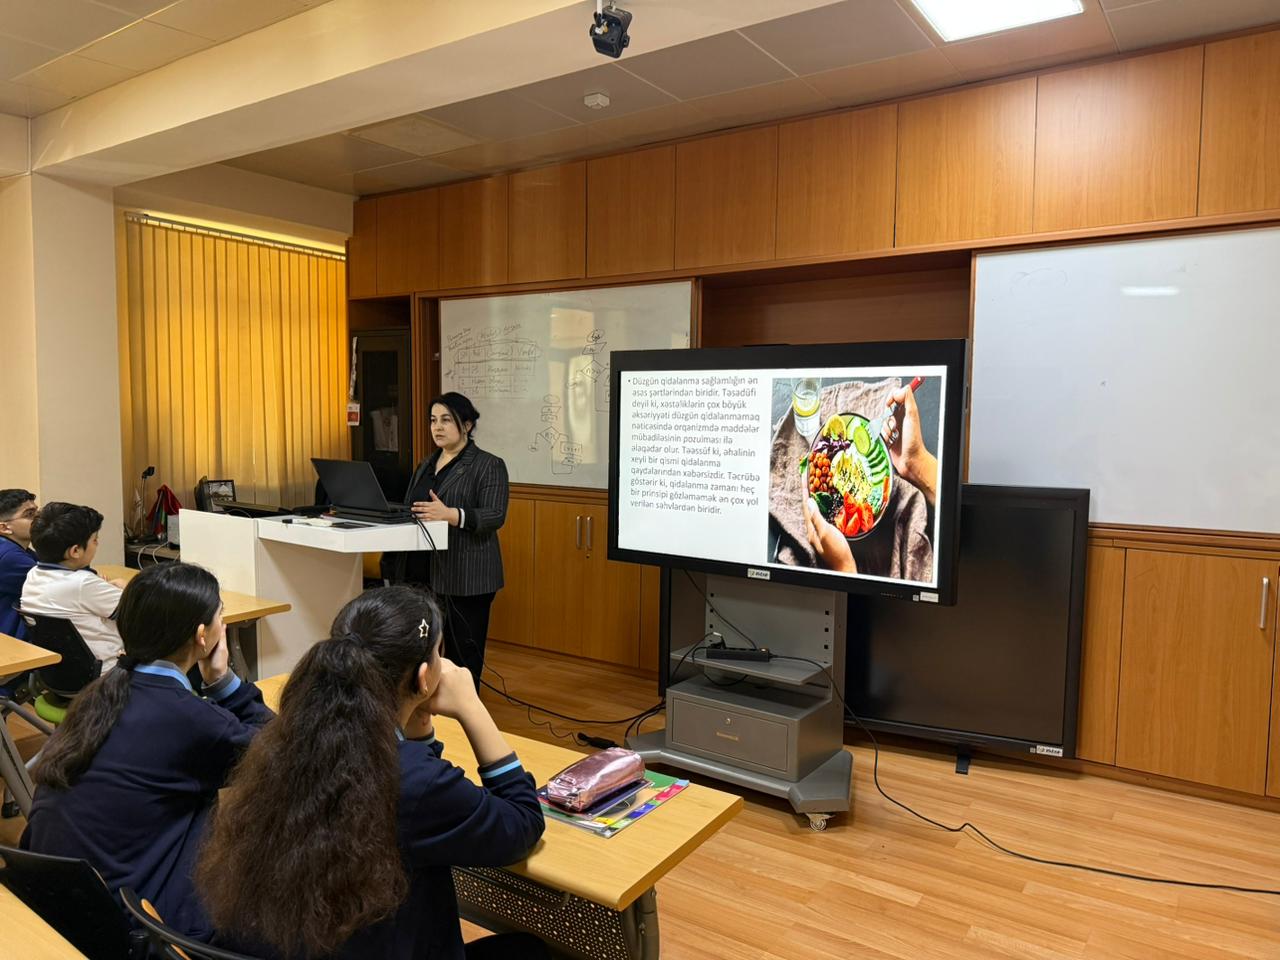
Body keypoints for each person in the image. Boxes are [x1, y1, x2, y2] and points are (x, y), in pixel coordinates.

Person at [197, 585, 546, 960]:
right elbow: (522, 823)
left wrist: (419, 724)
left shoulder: (290, 741)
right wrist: (471, 706)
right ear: (424, 677)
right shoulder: (411, 779)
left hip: (301, 941)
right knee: (529, 951)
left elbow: (419, 782)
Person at [21, 563, 271, 940]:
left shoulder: (101, 693)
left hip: (60, 905)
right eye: (221, 615)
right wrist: (223, 682)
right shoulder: (190, 720)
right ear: (202, 635)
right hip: (135, 926)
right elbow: (284, 753)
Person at [393, 392, 508, 687]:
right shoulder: (425, 464)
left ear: (467, 425)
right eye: (433, 420)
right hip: (421, 574)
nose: (437, 427)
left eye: (446, 420)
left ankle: (463, 708)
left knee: (462, 657)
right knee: (421, 650)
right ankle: (427, 704)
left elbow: (494, 515)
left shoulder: (488, 464)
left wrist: (451, 514)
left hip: (466, 575)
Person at [21, 503, 127, 670]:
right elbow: (141, 610)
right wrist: (127, 588)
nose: (97, 544)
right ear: (75, 551)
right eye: (95, 540)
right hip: (108, 672)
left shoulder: (34, 574)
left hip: (60, 672)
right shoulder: (82, 583)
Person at [0, 489, 39, 638]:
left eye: (37, 512)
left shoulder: (17, 549)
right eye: (30, 514)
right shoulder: (9, 555)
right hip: (10, 640)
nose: (39, 519)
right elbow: (59, 582)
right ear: (4, 527)